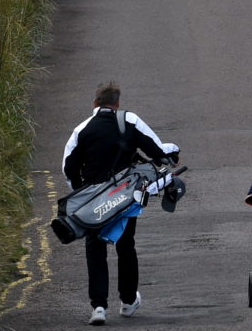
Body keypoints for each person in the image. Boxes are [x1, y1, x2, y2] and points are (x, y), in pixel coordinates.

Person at [62, 82, 180, 326]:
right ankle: (127, 301)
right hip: (125, 196)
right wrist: (170, 154)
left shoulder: (81, 129)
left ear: (95, 103)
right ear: (117, 103)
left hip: (94, 199)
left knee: (95, 248)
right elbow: (157, 150)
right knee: (126, 245)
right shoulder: (130, 120)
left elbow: (68, 167)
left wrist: (80, 193)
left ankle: (98, 307)